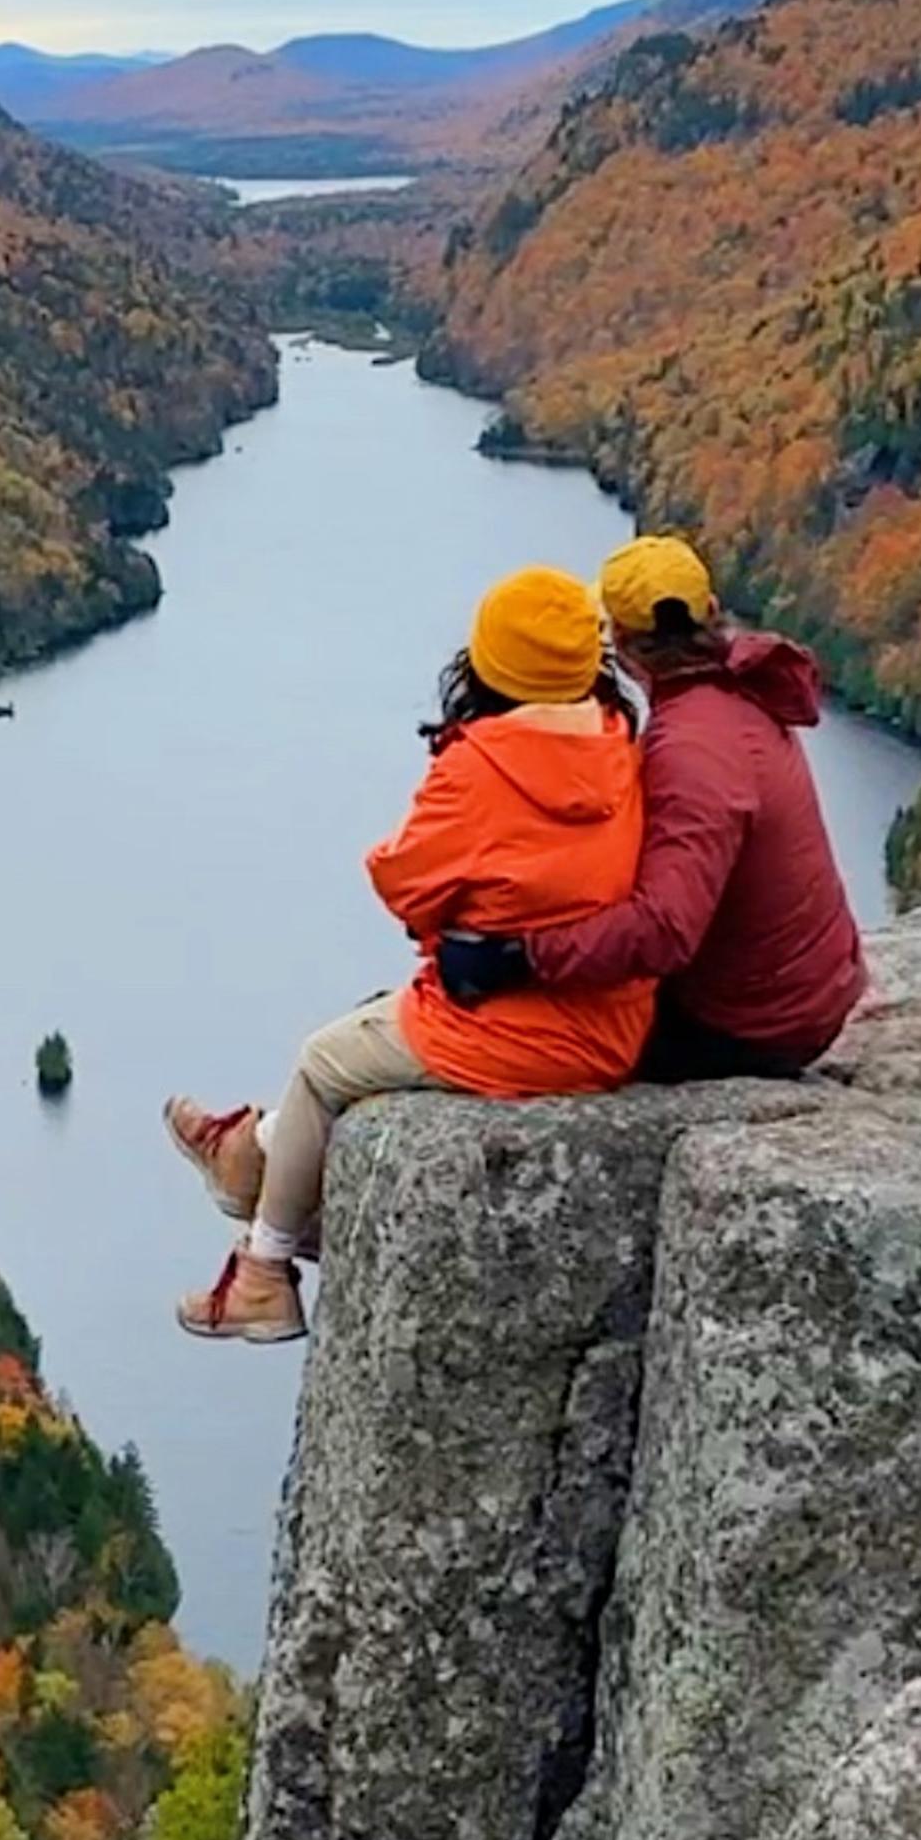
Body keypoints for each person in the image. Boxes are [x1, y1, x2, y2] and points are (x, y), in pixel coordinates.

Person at [162, 565, 657, 1344]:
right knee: (369, 1022)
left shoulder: (480, 766)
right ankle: (246, 1154)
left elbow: (405, 883)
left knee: (322, 1064)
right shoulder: (616, 740)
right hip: (610, 1018)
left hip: (518, 1028)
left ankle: (262, 1271)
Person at [452, 534, 865, 1078]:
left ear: (623, 644)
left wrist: (520, 956)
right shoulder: (740, 693)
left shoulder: (691, 750)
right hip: (809, 989)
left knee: (506, 1030)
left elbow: (665, 929)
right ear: (710, 610)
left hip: (752, 1028)